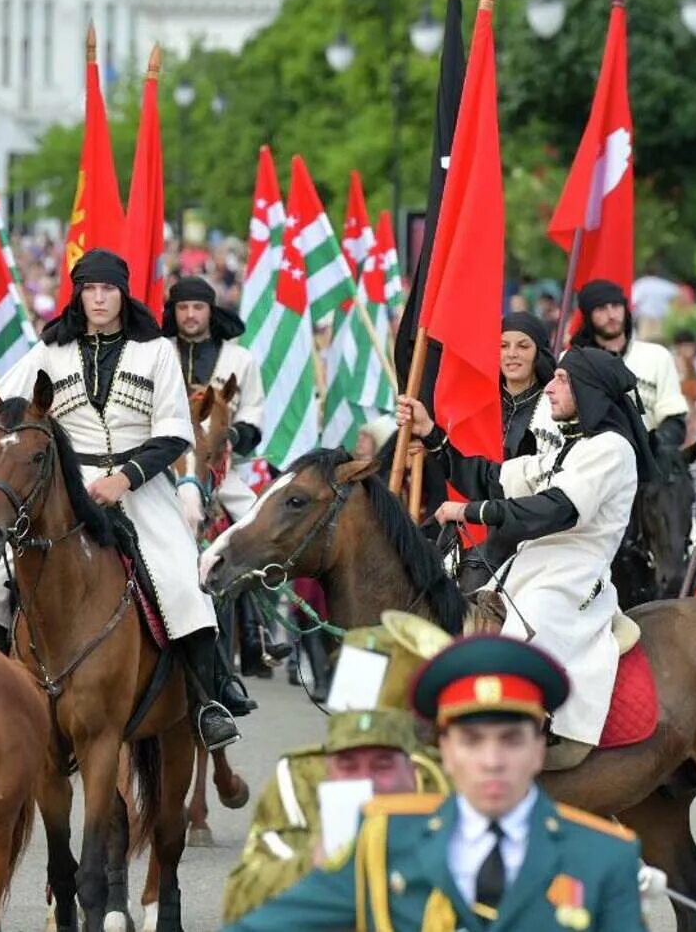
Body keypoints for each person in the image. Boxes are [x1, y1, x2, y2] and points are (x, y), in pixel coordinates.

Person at [0, 250, 246, 751]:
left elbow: (175, 435)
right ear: (79, 294)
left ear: (122, 293)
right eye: (90, 288)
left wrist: (125, 478)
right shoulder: (50, 350)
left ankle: (208, 701)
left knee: (180, 579)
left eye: (108, 288)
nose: (100, 297)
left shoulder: (155, 351)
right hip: (66, 481)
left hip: (140, 481)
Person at [225, 635, 643, 931]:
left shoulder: (604, 857)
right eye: (472, 741)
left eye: (512, 740)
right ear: (444, 749)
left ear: (539, 748)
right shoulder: (383, 840)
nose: (492, 761)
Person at [398, 347, 646, 766]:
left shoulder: (612, 449)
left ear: (590, 391)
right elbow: (493, 480)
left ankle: (528, 738)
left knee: (520, 640)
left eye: (562, 380)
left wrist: (470, 512)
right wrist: (434, 435)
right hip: (527, 569)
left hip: (573, 578)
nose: (548, 387)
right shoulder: (568, 448)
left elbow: (553, 510)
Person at [222, 626, 447, 923]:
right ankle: (220, 688)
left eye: (383, 765)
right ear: (330, 765)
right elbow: (237, 904)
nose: (365, 780)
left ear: (411, 765)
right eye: (348, 764)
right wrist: (312, 862)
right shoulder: (299, 779)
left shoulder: (441, 780)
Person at [567, 279, 689, 461]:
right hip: (591, 463)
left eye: (615, 306)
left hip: (649, 467)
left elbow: (674, 419)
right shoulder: (571, 363)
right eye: (601, 309)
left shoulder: (657, 356)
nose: (611, 315)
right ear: (588, 316)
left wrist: (651, 450)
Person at [160, 276, 264, 457]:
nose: (190, 314)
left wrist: (230, 436)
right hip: (163, 463)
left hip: (222, 465)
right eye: (183, 307)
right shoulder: (158, 352)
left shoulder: (241, 359)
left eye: (198, 307)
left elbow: (252, 410)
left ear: (211, 311)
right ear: (173, 311)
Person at [494, 311, 557, 460]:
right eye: (503, 346)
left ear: (538, 353)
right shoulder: (483, 403)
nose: (512, 354)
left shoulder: (554, 407)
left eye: (523, 346)